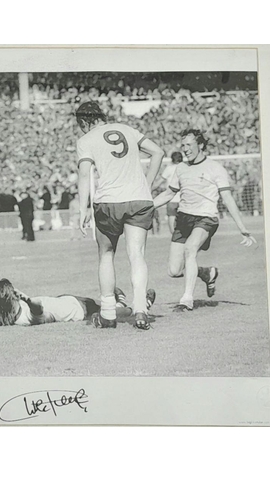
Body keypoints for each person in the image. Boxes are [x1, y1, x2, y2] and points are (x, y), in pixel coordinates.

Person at [76, 101, 165, 330]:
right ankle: (141, 311)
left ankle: (107, 314)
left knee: (106, 253)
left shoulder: (86, 140)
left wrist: (83, 208)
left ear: (85, 122)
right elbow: (158, 152)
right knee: (137, 255)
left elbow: (85, 174)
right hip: (138, 198)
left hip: (108, 202)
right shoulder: (127, 129)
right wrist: (147, 184)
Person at [153, 129, 257, 312]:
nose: (185, 149)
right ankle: (207, 273)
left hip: (206, 218)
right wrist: (147, 206)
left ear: (200, 145)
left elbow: (227, 198)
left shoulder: (215, 168)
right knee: (174, 270)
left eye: (189, 145)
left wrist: (242, 228)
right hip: (183, 218)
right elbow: (169, 193)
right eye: (183, 145)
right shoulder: (181, 168)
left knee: (190, 249)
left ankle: (186, 300)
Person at [0, 278, 156, 327]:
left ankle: (122, 298)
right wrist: (27, 297)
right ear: (12, 298)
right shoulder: (28, 315)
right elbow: (37, 308)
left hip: (62, 300)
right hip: (76, 308)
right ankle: (138, 303)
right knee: (114, 311)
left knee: (106, 304)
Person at [160, 151, 183, 233]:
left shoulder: (169, 169)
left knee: (171, 219)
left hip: (171, 199)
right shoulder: (185, 168)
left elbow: (160, 181)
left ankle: (174, 238)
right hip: (183, 199)